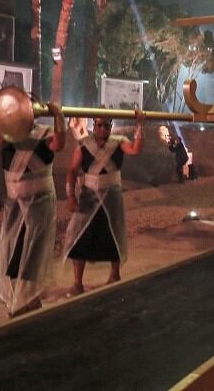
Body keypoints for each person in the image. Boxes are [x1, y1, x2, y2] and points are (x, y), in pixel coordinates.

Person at [0, 103, 65, 317]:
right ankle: (23, 299)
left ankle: (27, 300)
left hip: (39, 201)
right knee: (12, 250)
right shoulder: (7, 135)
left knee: (34, 251)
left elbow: (59, 144)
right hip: (14, 204)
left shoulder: (45, 134)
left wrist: (58, 117)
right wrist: (1, 117)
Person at [64, 114, 144, 295]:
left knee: (113, 235)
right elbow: (72, 170)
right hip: (88, 197)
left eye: (106, 126)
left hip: (112, 196)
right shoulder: (83, 144)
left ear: (111, 125)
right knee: (80, 237)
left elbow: (135, 149)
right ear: (94, 125)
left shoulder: (119, 141)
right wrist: (70, 196)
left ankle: (114, 274)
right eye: (99, 125)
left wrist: (140, 125)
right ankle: (77, 282)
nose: (102, 129)